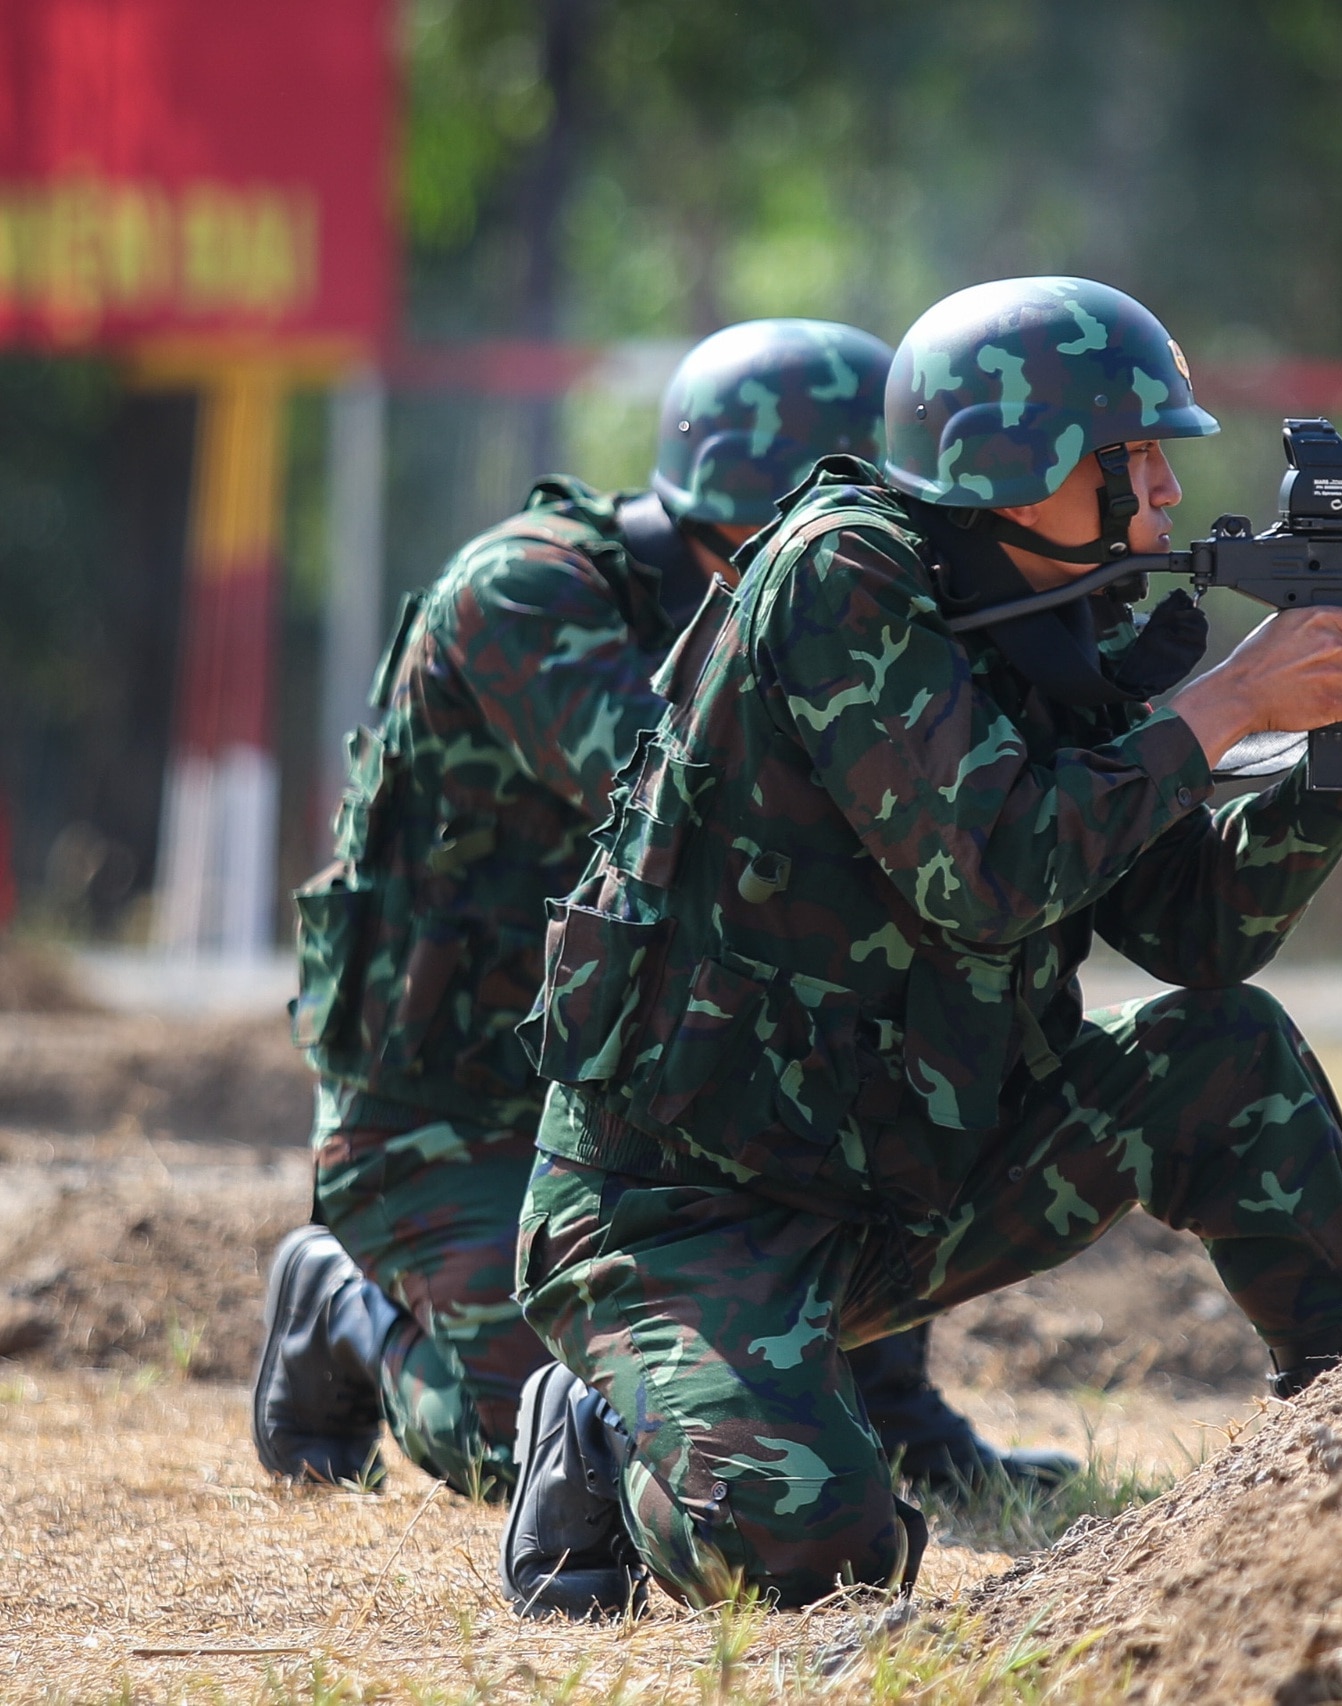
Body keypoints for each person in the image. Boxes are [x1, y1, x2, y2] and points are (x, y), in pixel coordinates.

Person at [501, 276, 1342, 1613]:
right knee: (816, 1553)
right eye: (1132, 455)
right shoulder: (840, 571)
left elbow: (1196, 933)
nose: (1161, 491)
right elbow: (986, 867)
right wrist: (1226, 700)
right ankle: (604, 1424)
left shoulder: (1059, 612)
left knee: (1230, 1057)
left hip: (898, 1185)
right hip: (681, 1206)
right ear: (1013, 463)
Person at [254, 318, 1074, 1520]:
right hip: (445, 1109)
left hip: (634, 1095)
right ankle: (345, 1305)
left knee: (885, 1057)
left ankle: (891, 1413)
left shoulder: (810, 616)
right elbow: (690, 796)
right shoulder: (523, 596)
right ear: (740, 527)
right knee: (521, 1429)